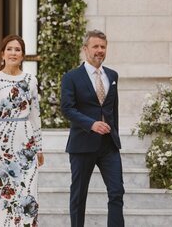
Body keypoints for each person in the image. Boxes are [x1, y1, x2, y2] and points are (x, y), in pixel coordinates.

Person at [0, 34, 44, 227]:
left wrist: (39, 147)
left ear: (22, 55)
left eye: (17, 49)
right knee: (2, 194)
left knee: (28, 193)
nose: (13, 53)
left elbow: (35, 116)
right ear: (2, 54)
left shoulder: (31, 80)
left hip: (26, 144)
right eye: (10, 49)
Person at [61, 29, 125, 227]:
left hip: (108, 146)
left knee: (116, 192)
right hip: (82, 144)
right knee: (79, 196)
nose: (100, 50)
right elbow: (67, 108)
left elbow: (112, 110)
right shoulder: (71, 77)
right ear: (85, 49)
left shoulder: (112, 75)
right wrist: (91, 124)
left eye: (103, 47)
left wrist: (114, 134)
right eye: (95, 46)